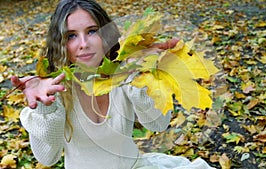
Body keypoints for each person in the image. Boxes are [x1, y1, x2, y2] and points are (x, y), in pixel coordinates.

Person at [11, 0, 215, 168]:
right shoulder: (56, 91)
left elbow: (158, 124)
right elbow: (47, 158)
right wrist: (45, 109)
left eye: (92, 31)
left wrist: (141, 77)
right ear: (60, 43)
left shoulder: (123, 77)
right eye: (71, 36)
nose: (84, 44)